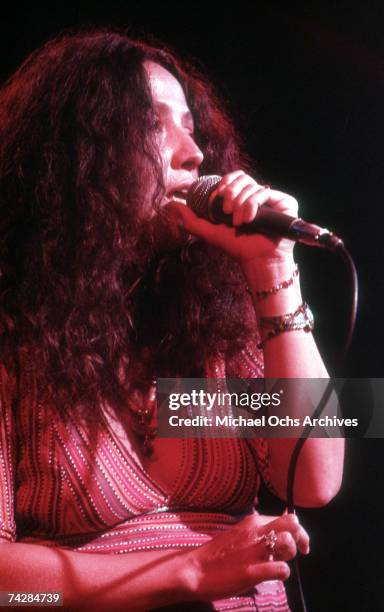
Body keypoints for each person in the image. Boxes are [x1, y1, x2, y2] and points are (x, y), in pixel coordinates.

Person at [0, 30, 344, 611]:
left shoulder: (210, 327)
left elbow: (313, 478)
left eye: (191, 125)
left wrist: (272, 265)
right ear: (75, 152)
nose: (194, 152)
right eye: (156, 124)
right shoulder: (17, 336)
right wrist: (187, 570)